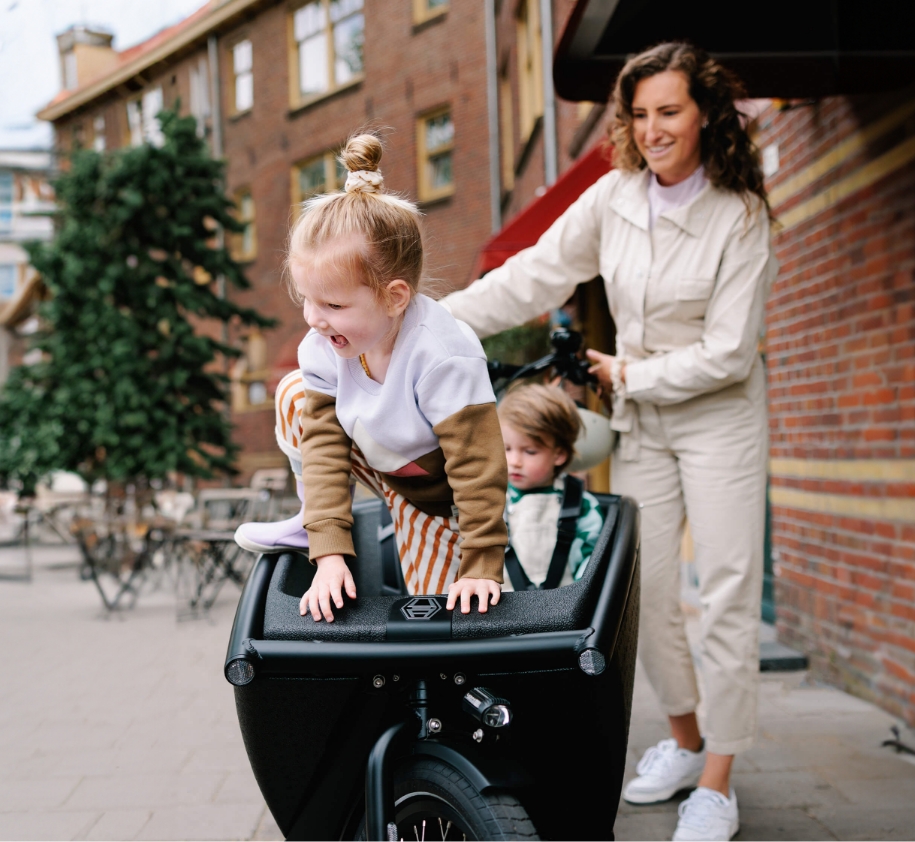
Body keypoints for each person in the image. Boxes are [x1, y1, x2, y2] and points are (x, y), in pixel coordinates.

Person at [442, 42, 776, 842]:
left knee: (725, 591)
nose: (653, 129)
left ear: (704, 114)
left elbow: (731, 352)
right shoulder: (614, 199)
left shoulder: (739, 213)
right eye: (639, 114)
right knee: (648, 593)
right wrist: (435, 321)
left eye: (670, 112)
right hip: (642, 422)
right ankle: (687, 741)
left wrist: (626, 373)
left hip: (718, 417)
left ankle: (719, 783)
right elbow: (533, 273)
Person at [235, 133, 507, 619]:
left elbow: (477, 467)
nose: (315, 319)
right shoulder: (324, 343)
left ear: (394, 297)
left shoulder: (442, 354)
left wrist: (481, 563)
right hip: (376, 460)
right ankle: (310, 524)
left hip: (433, 496)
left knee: (445, 616)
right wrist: (329, 551)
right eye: (307, 300)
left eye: (334, 305)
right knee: (295, 394)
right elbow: (321, 443)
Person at [497, 384, 604, 591]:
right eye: (506, 449)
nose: (514, 461)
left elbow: (591, 565)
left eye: (529, 451)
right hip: (500, 612)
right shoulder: (492, 499)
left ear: (559, 455)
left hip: (564, 613)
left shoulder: (581, 505)